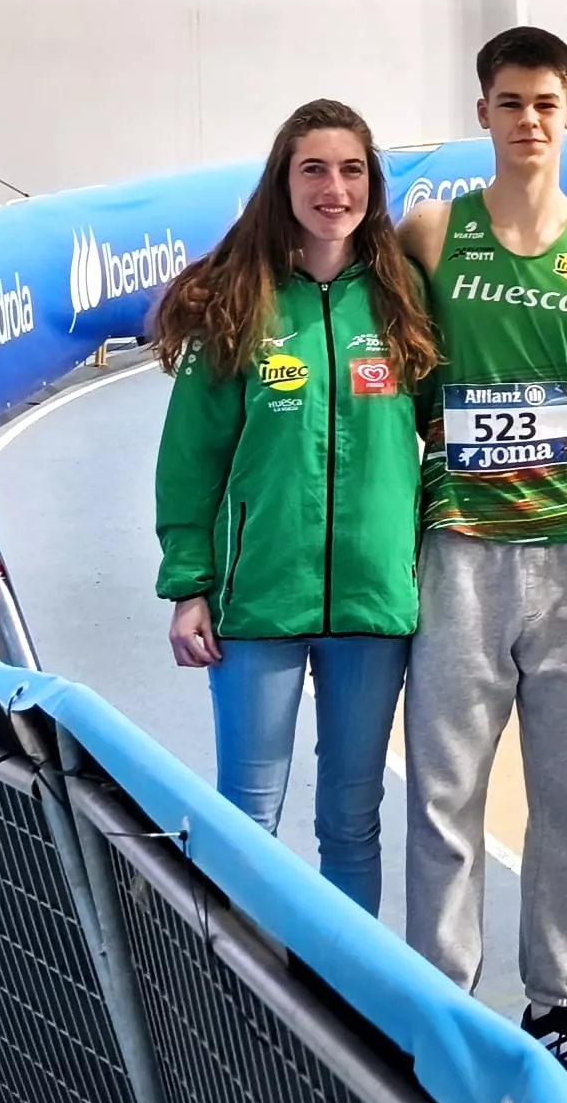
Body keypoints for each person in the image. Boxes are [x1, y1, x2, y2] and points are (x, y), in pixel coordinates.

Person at [398, 26, 567, 1098]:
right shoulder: (427, 236)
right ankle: (443, 1005)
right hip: (458, 551)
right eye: (510, 102)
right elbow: (387, 376)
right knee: (442, 796)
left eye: (546, 103)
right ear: (483, 115)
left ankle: (558, 1008)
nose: (529, 121)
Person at [151, 100, 438, 914]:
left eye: (351, 170)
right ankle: (238, 1005)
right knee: (246, 819)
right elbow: (190, 462)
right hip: (257, 602)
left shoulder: (400, 298)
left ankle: (343, 1004)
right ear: (283, 181)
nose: (333, 187)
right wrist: (189, 585)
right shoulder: (238, 302)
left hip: (375, 606)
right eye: (313, 168)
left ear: (371, 185)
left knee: (352, 820)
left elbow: (449, 421)